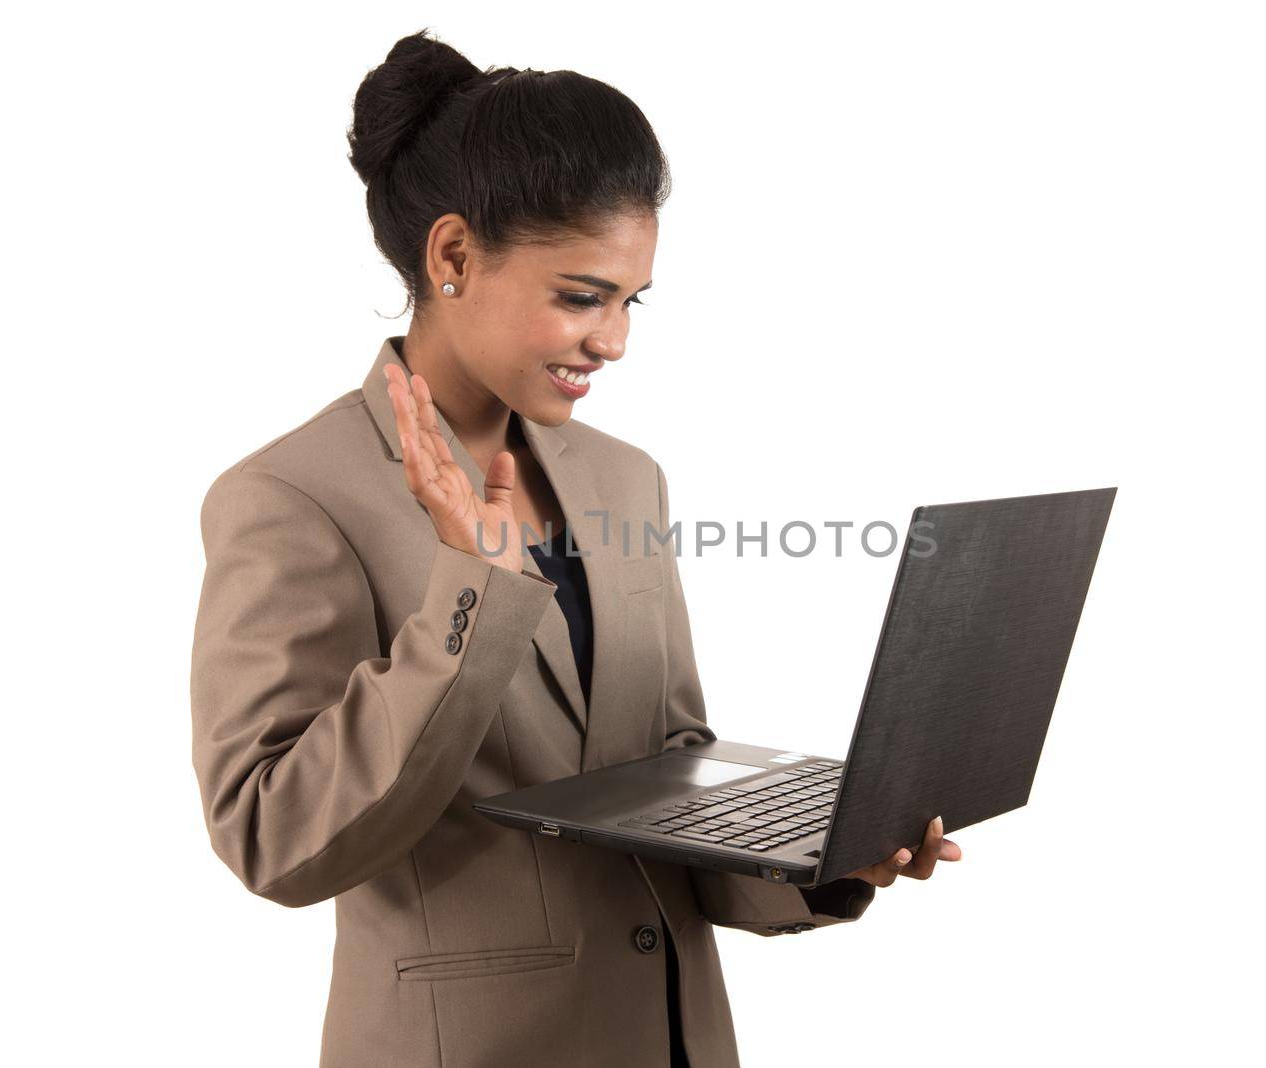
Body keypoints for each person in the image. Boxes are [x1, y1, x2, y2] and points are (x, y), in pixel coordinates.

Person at [189, 28, 961, 1068]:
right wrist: (475, 591)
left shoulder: (621, 476)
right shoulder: (291, 496)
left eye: (629, 299)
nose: (615, 341)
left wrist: (824, 851)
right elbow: (273, 839)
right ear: (452, 256)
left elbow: (664, 773)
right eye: (580, 296)